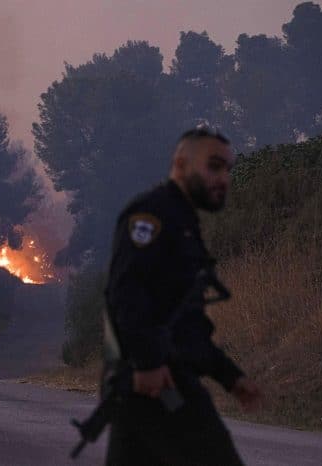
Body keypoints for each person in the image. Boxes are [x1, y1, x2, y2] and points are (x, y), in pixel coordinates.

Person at [104, 127, 262, 465]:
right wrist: (147, 363)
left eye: (227, 169)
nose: (223, 179)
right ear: (180, 163)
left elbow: (186, 324)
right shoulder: (152, 215)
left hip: (160, 381)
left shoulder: (184, 222)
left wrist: (229, 376)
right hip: (154, 382)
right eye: (214, 166)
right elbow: (126, 292)